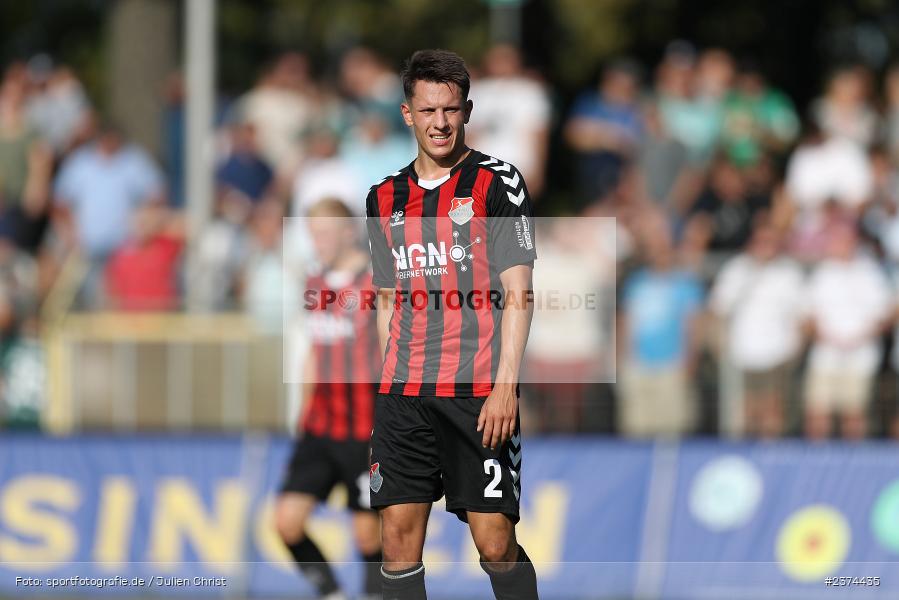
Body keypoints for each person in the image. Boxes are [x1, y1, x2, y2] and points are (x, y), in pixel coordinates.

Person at [365, 49, 539, 599]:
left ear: (466, 111)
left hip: (477, 393)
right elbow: (386, 297)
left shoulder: (497, 182)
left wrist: (506, 387)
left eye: (451, 110)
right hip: (405, 393)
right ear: (406, 114)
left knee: (494, 542)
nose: (440, 123)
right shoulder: (383, 198)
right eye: (428, 110)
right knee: (396, 538)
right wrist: (385, 379)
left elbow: (518, 292)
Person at [275, 198, 382, 600]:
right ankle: (332, 594)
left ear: (348, 232)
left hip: (364, 429)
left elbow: (392, 352)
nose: (315, 242)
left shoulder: (376, 284)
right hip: (320, 427)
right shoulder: (315, 283)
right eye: (311, 233)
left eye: (323, 233)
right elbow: (313, 352)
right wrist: (303, 409)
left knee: (369, 534)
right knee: (286, 522)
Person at [709, 223, 806, 437]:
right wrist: (719, 344)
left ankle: (771, 459)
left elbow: (801, 316)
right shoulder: (737, 270)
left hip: (778, 354)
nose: (766, 247)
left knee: (773, 410)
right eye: (761, 241)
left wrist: (795, 349)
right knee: (744, 410)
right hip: (741, 355)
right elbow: (719, 310)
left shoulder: (789, 273)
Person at [804, 223, 892, 440]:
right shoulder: (822, 274)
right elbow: (807, 315)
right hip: (826, 355)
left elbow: (888, 312)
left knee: (854, 413)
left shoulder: (869, 273)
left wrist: (861, 337)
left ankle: (852, 467)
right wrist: (829, 338)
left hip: (861, 355)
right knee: (818, 412)